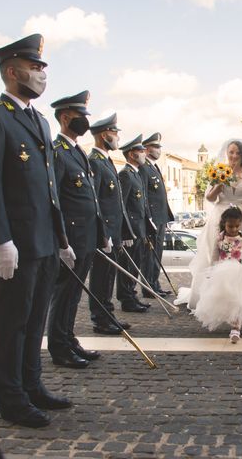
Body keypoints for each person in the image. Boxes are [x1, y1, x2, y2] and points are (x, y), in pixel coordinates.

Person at [0, 33, 74, 428]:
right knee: (10, 322)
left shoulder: (39, 120)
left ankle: (32, 385)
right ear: (12, 72)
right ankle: (9, 396)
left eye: (43, 68)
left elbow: (49, 191)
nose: (41, 74)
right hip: (16, 244)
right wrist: (0, 241)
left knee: (33, 322)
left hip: (45, 243)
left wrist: (61, 240)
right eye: (35, 67)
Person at [47, 90, 104, 368]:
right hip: (71, 237)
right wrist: (61, 240)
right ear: (66, 117)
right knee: (64, 293)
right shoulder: (58, 152)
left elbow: (90, 199)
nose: (85, 121)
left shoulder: (76, 151)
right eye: (81, 116)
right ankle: (59, 347)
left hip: (86, 236)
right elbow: (53, 199)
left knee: (74, 293)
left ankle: (68, 339)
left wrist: (100, 234)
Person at [177, 139, 242, 308]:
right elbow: (210, 198)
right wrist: (218, 186)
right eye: (231, 152)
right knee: (218, 252)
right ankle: (217, 292)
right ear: (226, 153)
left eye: (237, 153)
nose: (233, 155)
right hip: (221, 216)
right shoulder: (219, 170)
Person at [88, 113, 135, 335]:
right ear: (103, 134)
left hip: (114, 232)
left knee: (108, 277)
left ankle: (107, 314)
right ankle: (100, 318)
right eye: (114, 133)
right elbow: (96, 201)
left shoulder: (106, 161)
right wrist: (103, 233)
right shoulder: (94, 162)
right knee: (101, 277)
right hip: (105, 233)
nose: (117, 137)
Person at [192, 206, 242, 343]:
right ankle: (230, 319)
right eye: (230, 226)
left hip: (241, 273)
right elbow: (215, 257)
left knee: (239, 301)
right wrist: (213, 272)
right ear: (224, 224)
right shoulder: (219, 238)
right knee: (226, 299)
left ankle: (235, 328)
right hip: (223, 274)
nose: (233, 229)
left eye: (236, 226)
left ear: (240, 224)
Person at [116, 135, 151, 312]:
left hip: (139, 230)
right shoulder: (125, 175)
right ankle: (127, 300)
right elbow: (120, 204)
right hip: (130, 231)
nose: (144, 154)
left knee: (135, 265)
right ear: (131, 155)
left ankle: (132, 296)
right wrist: (125, 232)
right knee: (127, 267)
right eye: (141, 151)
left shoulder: (135, 175)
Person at [140, 132, 175, 298]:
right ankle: (148, 287)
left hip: (160, 218)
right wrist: (149, 219)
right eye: (155, 147)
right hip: (153, 219)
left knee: (157, 254)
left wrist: (167, 216)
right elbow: (145, 196)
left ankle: (155, 283)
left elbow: (161, 196)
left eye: (159, 147)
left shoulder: (154, 166)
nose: (159, 150)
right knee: (150, 255)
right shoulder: (144, 168)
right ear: (146, 149)